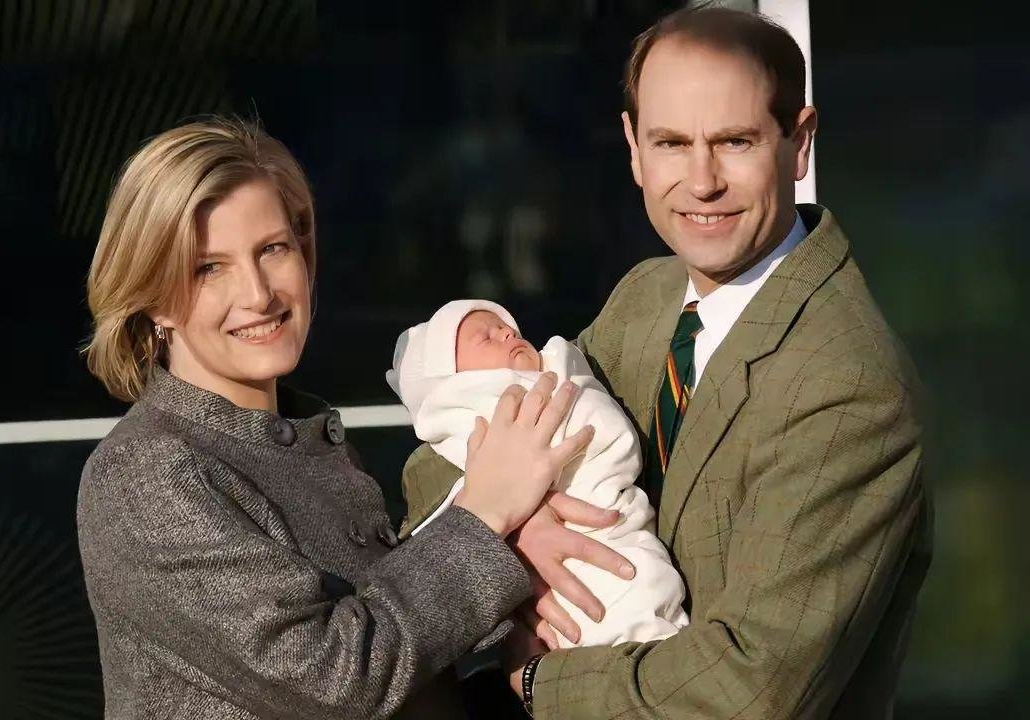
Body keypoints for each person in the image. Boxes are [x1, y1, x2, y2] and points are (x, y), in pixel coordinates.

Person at [400, 7, 932, 718]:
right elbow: (451, 434)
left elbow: (748, 693)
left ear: (799, 142)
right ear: (633, 148)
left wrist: (534, 681)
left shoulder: (847, 385)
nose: (701, 181)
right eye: (671, 143)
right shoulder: (647, 298)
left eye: (735, 141)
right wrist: (514, 530)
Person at [76, 116, 605, 720]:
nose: (258, 294)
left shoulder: (303, 441)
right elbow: (336, 678)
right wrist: (486, 518)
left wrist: (516, 565)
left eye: (272, 249)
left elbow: (405, 652)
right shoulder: (145, 475)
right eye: (208, 268)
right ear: (154, 299)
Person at [387, 299, 689, 649]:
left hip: (617, 520)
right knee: (615, 604)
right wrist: (512, 525)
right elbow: (451, 505)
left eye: (507, 328)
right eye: (486, 338)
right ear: (451, 380)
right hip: (575, 560)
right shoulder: (470, 417)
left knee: (645, 586)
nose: (506, 333)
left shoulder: (566, 369)